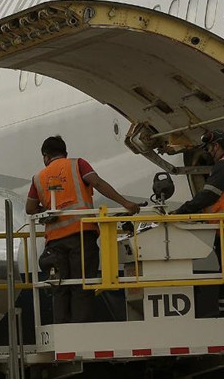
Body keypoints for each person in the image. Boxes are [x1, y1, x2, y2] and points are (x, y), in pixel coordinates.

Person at [26, 136, 141, 324]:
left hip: (54, 241)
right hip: (81, 235)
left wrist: (45, 211)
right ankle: (81, 330)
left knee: (60, 286)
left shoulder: (39, 177)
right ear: (65, 152)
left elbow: (30, 209)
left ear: (45, 157)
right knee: (82, 284)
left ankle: (62, 332)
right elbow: (97, 183)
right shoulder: (77, 164)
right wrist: (125, 203)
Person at [173, 130, 224, 317]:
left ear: (216, 146)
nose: (208, 152)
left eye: (209, 148)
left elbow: (209, 194)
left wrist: (182, 211)